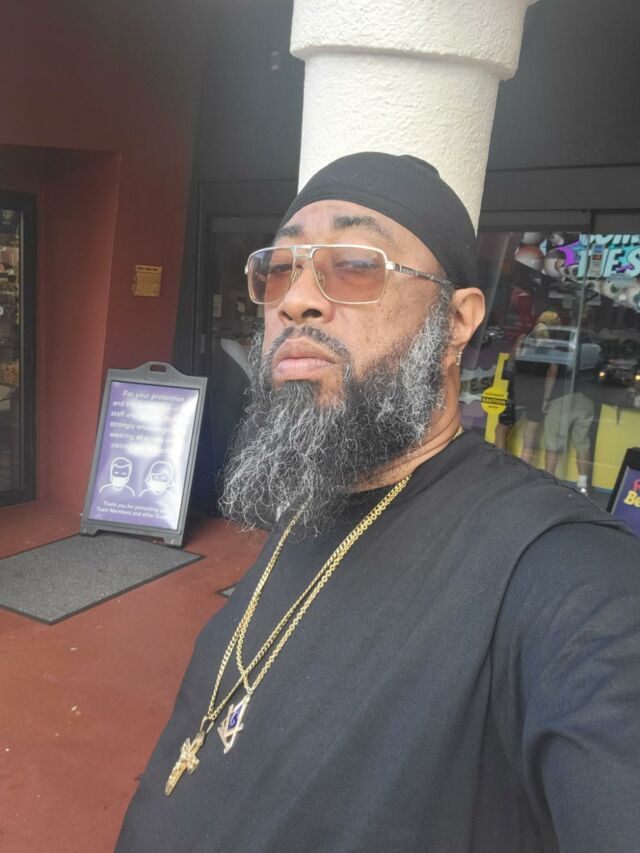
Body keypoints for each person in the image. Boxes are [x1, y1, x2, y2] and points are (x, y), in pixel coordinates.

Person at [116, 153, 640, 853]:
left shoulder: (568, 577)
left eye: (356, 265)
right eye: (280, 268)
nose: (295, 299)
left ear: (456, 322)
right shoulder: (315, 497)